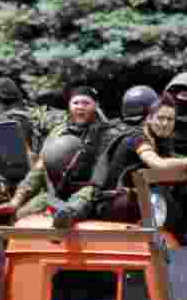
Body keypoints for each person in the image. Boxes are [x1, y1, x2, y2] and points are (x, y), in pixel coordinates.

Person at [58, 89, 187, 241]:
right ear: (149, 119)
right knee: (163, 192)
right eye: (161, 118)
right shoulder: (135, 137)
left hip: (136, 202)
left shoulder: (161, 141)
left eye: (170, 120)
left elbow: (173, 159)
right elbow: (158, 163)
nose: (165, 123)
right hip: (111, 202)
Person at [10, 85, 113, 220]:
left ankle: (69, 213)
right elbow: (40, 168)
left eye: (86, 103)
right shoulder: (59, 132)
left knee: (87, 193)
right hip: (57, 194)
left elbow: (104, 175)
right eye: (76, 103)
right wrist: (17, 199)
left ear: (95, 106)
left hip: (91, 194)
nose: (80, 107)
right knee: (18, 216)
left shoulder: (105, 134)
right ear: (69, 106)